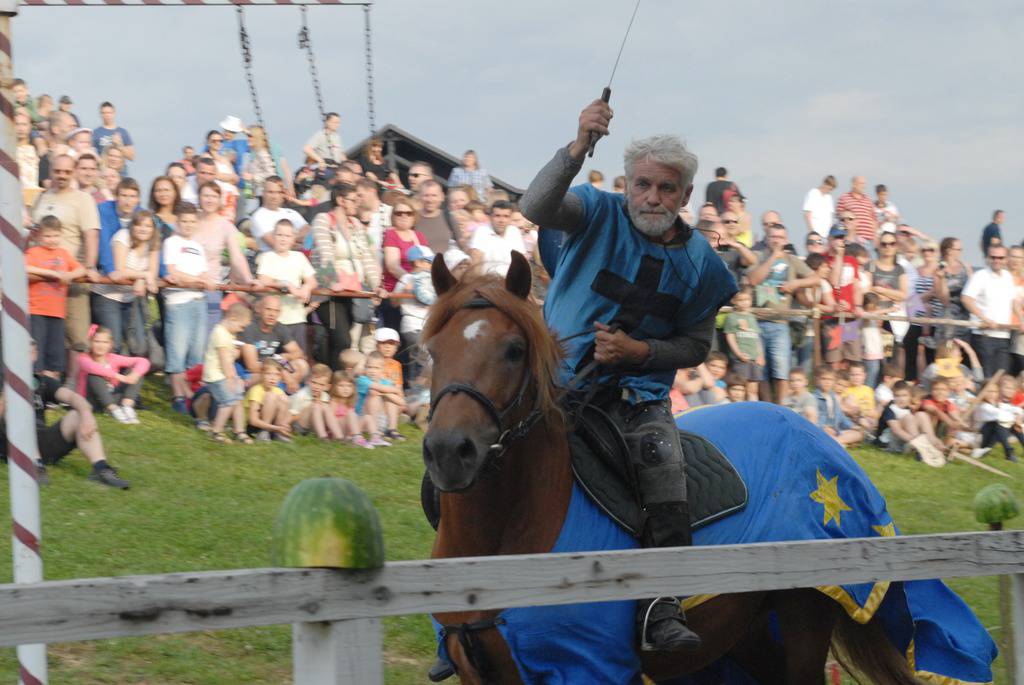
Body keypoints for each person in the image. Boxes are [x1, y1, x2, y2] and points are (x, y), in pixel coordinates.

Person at [519, 98, 737, 651]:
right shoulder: (594, 210)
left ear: (686, 195)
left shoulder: (703, 268)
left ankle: (660, 608)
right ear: (625, 183)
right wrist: (576, 147)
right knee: (471, 450)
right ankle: (462, 609)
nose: (651, 198)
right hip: (553, 380)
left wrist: (640, 351)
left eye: (666, 188)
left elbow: (695, 345)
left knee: (664, 471)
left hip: (635, 398)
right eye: (641, 185)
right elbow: (536, 204)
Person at [0, 340, 131, 489]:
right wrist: (7, 389)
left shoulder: (41, 382)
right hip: (12, 444)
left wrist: (86, 414)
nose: (25, 357)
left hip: (42, 442)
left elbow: (72, 398)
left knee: (78, 414)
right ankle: (35, 467)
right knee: (18, 415)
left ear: (35, 355)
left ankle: (101, 470)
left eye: (29, 353)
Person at [30, 154, 101, 361]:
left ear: (74, 172)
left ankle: (71, 386)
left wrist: (89, 266)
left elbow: (91, 234)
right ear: (51, 171)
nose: (62, 175)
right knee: (41, 336)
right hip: (40, 279)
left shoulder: (83, 199)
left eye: (67, 172)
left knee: (76, 336)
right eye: (58, 171)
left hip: (71, 277)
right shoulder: (42, 197)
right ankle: (43, 385)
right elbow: (34, 232)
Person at [744, 223, 818, 402]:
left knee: (781, 371)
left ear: (786, 240)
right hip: (756, 322)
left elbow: (816, 277)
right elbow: (753, 280)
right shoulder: (758, 256)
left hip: (780, 324)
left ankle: (781, 408)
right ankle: (768, 407)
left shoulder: (792, 260)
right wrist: (773, 258)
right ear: (766, 238)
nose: (776, 240)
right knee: (760, 372)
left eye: (780, 237)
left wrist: (796, 284)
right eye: (773, 237)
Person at [163, 202, 213, 414]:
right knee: (177, 351)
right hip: (178, 302)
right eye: (184, 221)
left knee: (196, 352)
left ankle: (193, 397)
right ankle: (178, 396)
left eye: (193, 221)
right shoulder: (171, 242)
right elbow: (173, 273)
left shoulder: (198, 246)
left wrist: (199, 280)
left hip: (198, 301)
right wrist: (195, 280)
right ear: (177, 222)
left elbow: (204, 275)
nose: (188, 225)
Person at [92, 210, 159, 356]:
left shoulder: (153, 244)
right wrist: (143, 275)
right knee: (112, 343)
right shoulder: (123, 237)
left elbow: (152, 273)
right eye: (139, 225)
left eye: (148, 226)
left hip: (130, 298)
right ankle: (107, 377)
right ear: (132, 226)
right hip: (107, 296)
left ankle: (131, 378)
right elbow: (119, 270)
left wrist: (142, 279)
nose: (143, 229)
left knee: (138, 344)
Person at [26, 216, 86, 377]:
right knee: (36, 353)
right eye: (48, 236)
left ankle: (49, 393)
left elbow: (81, 269)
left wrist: (69, 275)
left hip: (57, 312)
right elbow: (25, 267)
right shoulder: (34, 252)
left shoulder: (63, 254)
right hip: (37, 310)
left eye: (55, 236)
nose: (52, 240)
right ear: (39, 236)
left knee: (54, 354)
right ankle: (34, 389)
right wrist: (52, 273)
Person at [193, 181, 257, 327]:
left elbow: (237, 257)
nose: (209, 200)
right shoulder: (190, 220)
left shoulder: (226, 226)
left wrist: (248, 279)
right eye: (206, 196)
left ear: (220, 199)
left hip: (211, 289)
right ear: (199, 197)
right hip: (187, 288)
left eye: (213, 196)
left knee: (209, 341)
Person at [962, 245, 1019, 378]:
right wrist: (985, 319)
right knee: (986, 379)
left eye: (1000, 257)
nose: (996, 260)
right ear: (988, 258)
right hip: (983, 335)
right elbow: (966, 299)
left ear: (1006, 259)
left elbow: (1014, 301)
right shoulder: (980, 276)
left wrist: (1021, 318)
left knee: (1002, 377)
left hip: (1003, 336)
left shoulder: (1007, 277)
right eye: (993, 257)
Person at [76, 325, 150, 423]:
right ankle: (113, 410)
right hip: (93, 402)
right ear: (90, 342)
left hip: (112, 397)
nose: (101, 346)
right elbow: (92, 368)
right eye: (97, 341)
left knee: (136, 372)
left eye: (105, 342)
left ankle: (127, 407)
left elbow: (143, 361)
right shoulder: (83, 358)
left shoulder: (112, 358)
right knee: (94, 376)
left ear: (110, 344)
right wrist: (120, 377)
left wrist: (134, 375)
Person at [203, 302, 253, 444]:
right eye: (241, 327)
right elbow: (224, 359)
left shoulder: (229, 333)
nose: (241, 330)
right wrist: (231, 377)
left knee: (238, 400)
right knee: (228, 402)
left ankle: (239, 431)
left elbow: (229, 357)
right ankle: (216, 431)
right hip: (217, 376)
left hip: (225, 374)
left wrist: (235, 354)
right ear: (232, 319)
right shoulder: (220, 333)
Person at [381, 197, 428, 331]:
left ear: (414, 216)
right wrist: (413, 281)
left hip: (417, 292)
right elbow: (392, 266)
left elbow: (427, 263)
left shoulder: (419, 236)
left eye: (408, 213)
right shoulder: (391, 235)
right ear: (393, 216)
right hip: (396, 293)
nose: (403, 216)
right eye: (398, 213)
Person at [722, 287, 763, 401]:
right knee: (741, 386)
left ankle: (754, 409)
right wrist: (739, 354)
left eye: (747, 300)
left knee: (753, 389)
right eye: (741, 300)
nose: (744, 303)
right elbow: (730, 337)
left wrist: (760, 355)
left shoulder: (751, 317)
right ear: (734, 301)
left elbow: (756, 337)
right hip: (741, 359)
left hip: (754, 358)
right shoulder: (731, 317)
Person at [355, 351, 402, 447]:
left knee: (390, 399)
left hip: (381, 419)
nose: (372, 371)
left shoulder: (386, 382)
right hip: (364, 419)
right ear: (365, 367)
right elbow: (376, 388)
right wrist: (393, 390)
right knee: (373, 395)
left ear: (382, 369)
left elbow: (401, 402)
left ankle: (391, 429)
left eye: (376, 368)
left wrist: (386, 393)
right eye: (369, 367)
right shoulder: (362, 380)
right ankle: (375, 432)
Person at [250, 176, 309, 252]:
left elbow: (310, 235)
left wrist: (287, 239)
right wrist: (299, 240)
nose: (274, 196)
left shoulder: (291, 213)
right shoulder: (258, 216)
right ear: (263, 193)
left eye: (278, 192)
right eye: (270, 192)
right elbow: (277, 245)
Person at [468, 200, 527, 276]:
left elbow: (522, 260)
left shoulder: (514, 232)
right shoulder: (481, 232)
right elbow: (476, 261)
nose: (501, 220)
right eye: (497, 216)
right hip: (487, 282)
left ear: (510, 218)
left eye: (506, 216)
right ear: (490, 217)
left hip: (511, 282)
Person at [244, 359, 293, 442]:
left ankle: (278, 434)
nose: (273, 378)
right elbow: (253, 420)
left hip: (272, 426)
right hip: (254, 427)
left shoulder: (279, 390)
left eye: (276, 375)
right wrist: (276, 428)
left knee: (284, 398)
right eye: (268, 374)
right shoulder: (256, 390)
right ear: (262, 374)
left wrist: (284, 425)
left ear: (280, 377)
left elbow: (287, 412)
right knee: (271, 396)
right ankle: (263, 432)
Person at [813, 366, 862, 447]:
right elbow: (813, 419)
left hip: (836, 430)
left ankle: (838, 441)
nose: (827, 382)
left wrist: (852, 426)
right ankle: (839, 442)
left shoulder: (833, 397)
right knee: (826, 436)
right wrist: (823, 428)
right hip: (823, 430)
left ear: (834, 381)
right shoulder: (814, 398)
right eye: (824, 379)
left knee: (858, 434)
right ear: (818, 380)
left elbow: (841, 416)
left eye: (830, 380)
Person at [244, 125, 291, 204]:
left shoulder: (262, 153)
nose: (248, 138)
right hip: (259, 194)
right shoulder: (255, 153)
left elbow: (270, 174)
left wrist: (253, 177)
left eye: (250, 136)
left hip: (266, 196)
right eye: (248, 136)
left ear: (257, 137)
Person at [835, 176, 877, 247]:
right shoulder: (844, 198)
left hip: (869, 240)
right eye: (861, 184)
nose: (864, 186)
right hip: (853, 240)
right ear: (854, 184)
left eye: (864, 184)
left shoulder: (868, 199)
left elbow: (874, 220)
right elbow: (839, 218)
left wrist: (875, 237)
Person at [415, 180, 455, 254]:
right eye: (426, 195)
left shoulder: (449, 217)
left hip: (445, 264)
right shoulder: (413, 217)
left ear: (442, 197)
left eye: (434, 195)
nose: (430, 200)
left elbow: (461, 242)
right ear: (420, 197)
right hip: (421, 264)